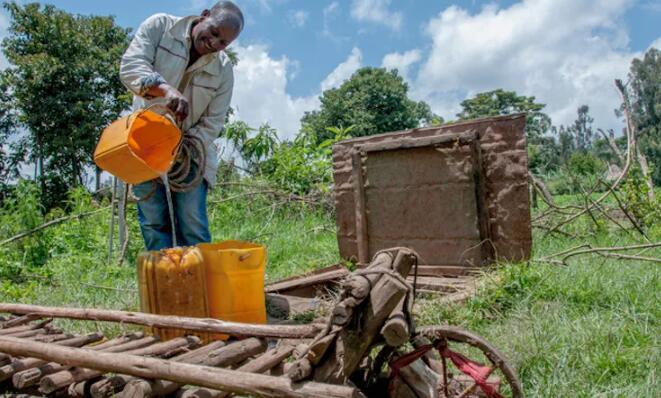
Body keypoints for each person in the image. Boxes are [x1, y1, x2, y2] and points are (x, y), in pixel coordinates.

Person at [119, 2, 243, 250]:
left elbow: (213, 121)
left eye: (223, 43)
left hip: (191, 155)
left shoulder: (223, 68)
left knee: (192, 226)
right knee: (154, 224)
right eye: (215, 32)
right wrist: (165, 89)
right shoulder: (161, 27)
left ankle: (198, 285)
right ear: (205, 15)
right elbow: (131, 67)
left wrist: (180, 147)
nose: (215, 43)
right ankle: (166, 285)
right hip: (144, 144)